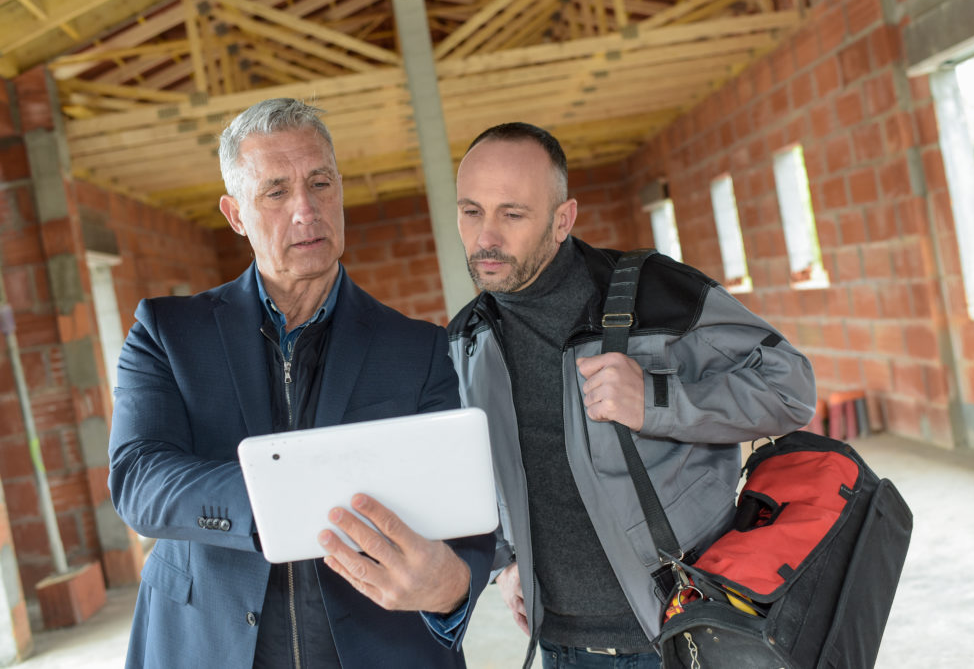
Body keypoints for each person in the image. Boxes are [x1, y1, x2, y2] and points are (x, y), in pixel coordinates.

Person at [108, 98, 494, 669]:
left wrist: (456, 586)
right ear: (235, 213)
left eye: (320, 183)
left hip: (376, 650)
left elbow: (460, 510)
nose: (306, 210)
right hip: (206, 646)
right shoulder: (166, 333)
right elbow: (139, 478)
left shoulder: (417, 348)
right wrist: (276, 502)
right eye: (276, 192)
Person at [447, 122, 817, 668]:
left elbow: (790, 387)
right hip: (562, 644)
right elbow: (484, 469)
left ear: (562, 220)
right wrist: (505, 559)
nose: (486, 238)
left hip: (685, 625)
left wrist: (658, 400)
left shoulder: (655, 292)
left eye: (512, 213)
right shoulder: (468, 340)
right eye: (472, 211)